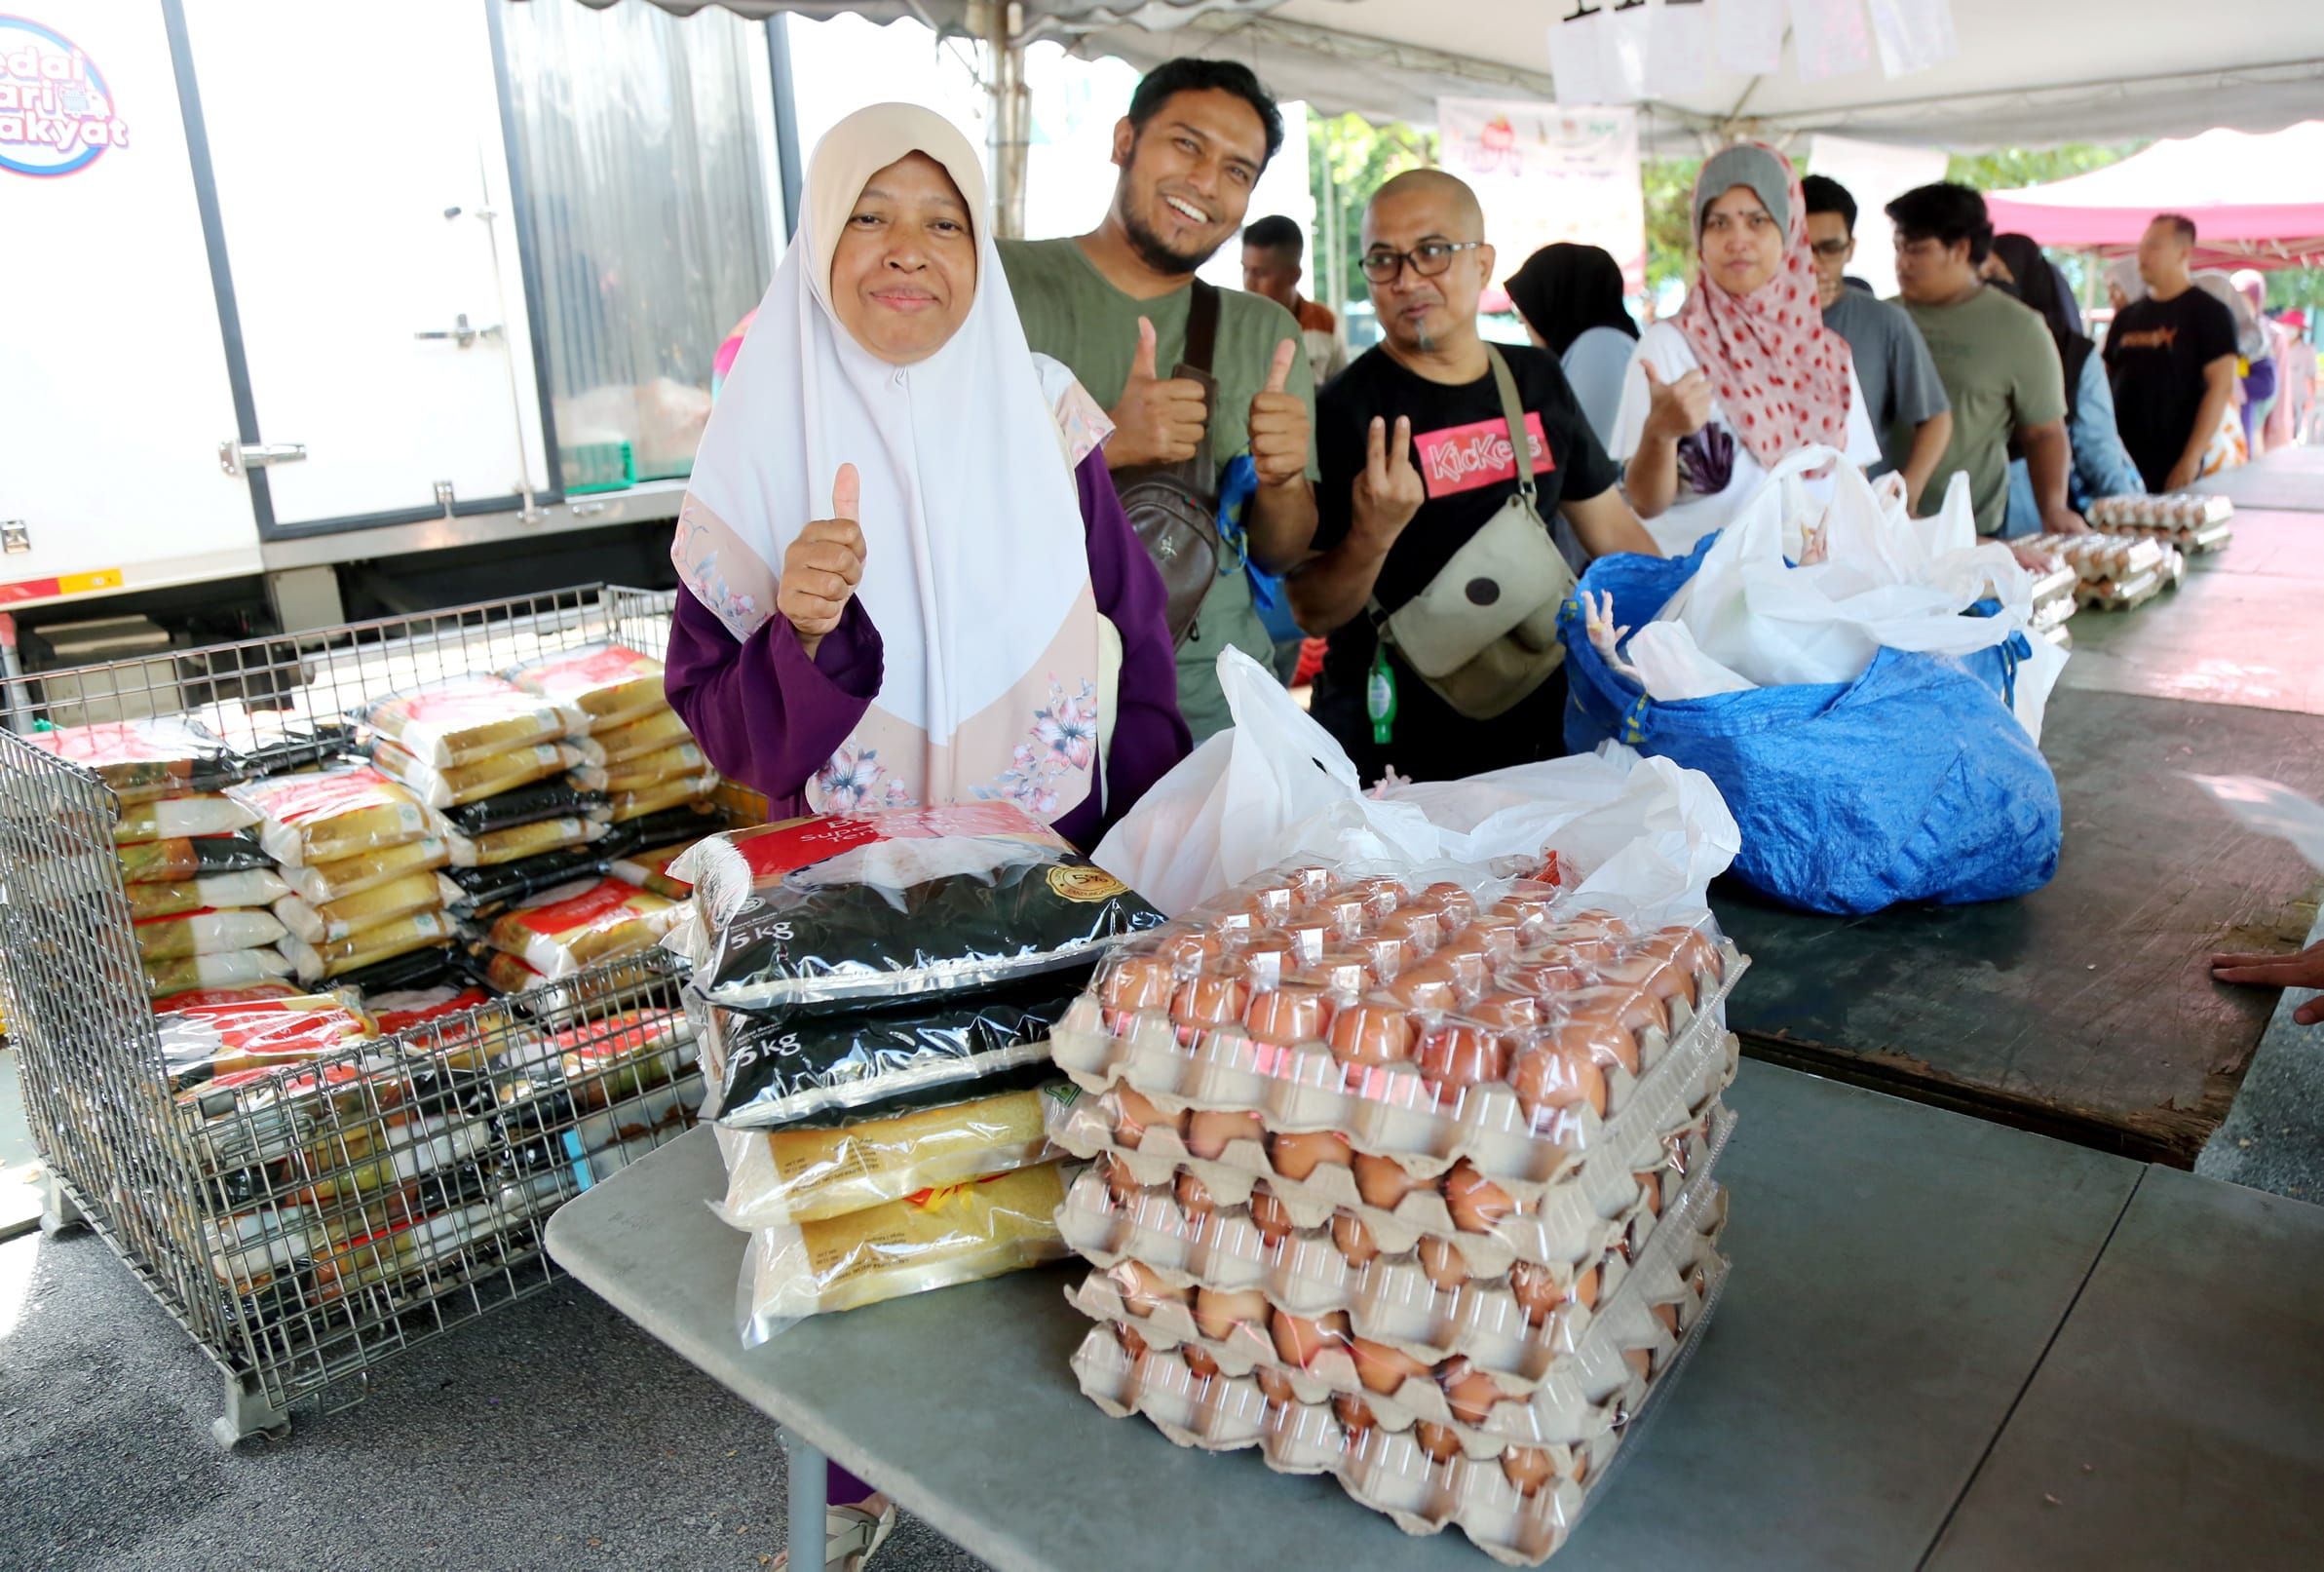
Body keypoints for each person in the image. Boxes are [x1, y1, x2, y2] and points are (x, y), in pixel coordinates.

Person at [666, 103, 1190, 859]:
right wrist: (803, 636)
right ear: (817, 238)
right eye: (868, 217)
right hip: (849, 904)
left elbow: (1137, 648)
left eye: (944, 224)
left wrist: (1140, 863)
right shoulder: (757, 444)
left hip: (1055, 879)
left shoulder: (1044, 414)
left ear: (980, 250)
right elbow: (732, 740)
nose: (908, 252)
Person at [1286, 170, 1658, 786]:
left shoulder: (1535, 380)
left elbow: (1613, 531)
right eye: (1384, 260)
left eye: (1432, 252)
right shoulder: (1340, 409)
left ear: (1483, 265)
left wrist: (1693, 614)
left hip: (1539, 729)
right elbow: (1311, 610)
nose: (1408, 279)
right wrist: (1372, 535)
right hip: (1390, 751)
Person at [998, 58, 1319, 743]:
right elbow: (926, 500)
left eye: (1237, 171)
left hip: (1214, 718)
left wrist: (1285, 480)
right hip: (1024, 712)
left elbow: (1279, 552)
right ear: (1123, 141)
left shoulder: (1266, 331)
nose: (1205, 182)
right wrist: (1106, 449)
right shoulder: (996, 285)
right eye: (1186, 144)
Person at [1608, 143, 1885, 555]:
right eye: (1718, 223)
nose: (1737, 240)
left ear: (1789, 233)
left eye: (1757, 221)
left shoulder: (1828, 355)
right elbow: (1646, 503)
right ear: (1701, 238)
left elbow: (1852, 483)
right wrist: (1660, 435)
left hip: (1814, 591)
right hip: (1703, 599)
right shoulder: (1670, 346)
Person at [1886, 182, 2082, 541]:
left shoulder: (2020, 328)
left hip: (1972, 530)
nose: (1902, 262)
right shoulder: (1882, 319)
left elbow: (2044, 432)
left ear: (1961, 249)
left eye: (1916, 250)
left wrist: (2053, 507)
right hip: (1878, 523)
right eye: (1898, 248)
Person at [1800, 173, 1953, 510]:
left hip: (1854, 513)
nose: (1813, 262)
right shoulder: (1750, 323)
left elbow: (1936, 418)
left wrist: (1905, 493)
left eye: (1829, 249)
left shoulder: (1886, 322)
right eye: (1801, 247)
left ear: (1850, 249)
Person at [1982, 233, 2146, 529]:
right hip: (1970, 502)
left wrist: (2132, 515)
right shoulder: (1970, 336)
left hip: (2032, 502)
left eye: (1996, 274)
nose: (1988, 288)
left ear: (2026, 278)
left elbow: (2097, 446)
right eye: (1980, 276)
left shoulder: (2074, 354)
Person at [2104, 214, 2240, 492]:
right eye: (2142, 245)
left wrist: (2191, 458)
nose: (2143, 254)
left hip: (2176, 465)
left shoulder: (2210, 314)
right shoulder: (2126, 318)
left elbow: (2220, 387)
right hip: (2121, 467)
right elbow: (2102, 383)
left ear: (2183, 253)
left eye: (2154, 246)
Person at [1503, 242, 1638, 451]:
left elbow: (1585, 451)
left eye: (1529, 301)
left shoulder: (1600, 347)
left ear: (1556, 296)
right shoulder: (1596, 345)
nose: (1521, 319)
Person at [1242, 213, 1349, 387]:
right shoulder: (1236, 323)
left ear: (1293, 275)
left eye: (1260, 273)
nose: (1248, 282)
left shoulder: (1324, 323)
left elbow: (1342, 389)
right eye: (1245, 269)